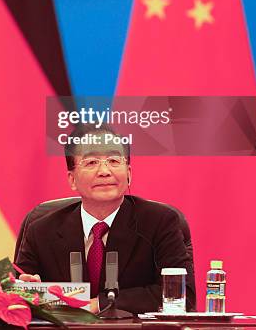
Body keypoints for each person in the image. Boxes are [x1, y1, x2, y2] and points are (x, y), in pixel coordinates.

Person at [15, 125, 196, 314]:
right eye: (91, 162)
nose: (104, 171)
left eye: (113, 160)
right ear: (72, 179)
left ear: (129, 174)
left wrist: (98, 304)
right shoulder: (41, 231)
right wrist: (29, 290)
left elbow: (182, 296)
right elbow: (14, 297)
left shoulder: (159, 222)